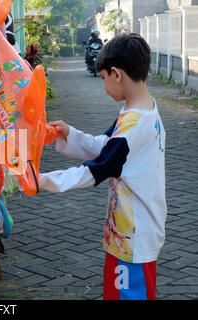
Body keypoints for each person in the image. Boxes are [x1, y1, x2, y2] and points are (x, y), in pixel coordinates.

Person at [40, 33, 167, 300]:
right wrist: (70, 134)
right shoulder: (140, 111)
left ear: (116, 74)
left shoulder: (135, 124)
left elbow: (96, 169)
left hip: (133, 238)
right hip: (128, 233)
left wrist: (39, 180)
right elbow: (108, 147)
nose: (104, 85)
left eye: (103, 78)